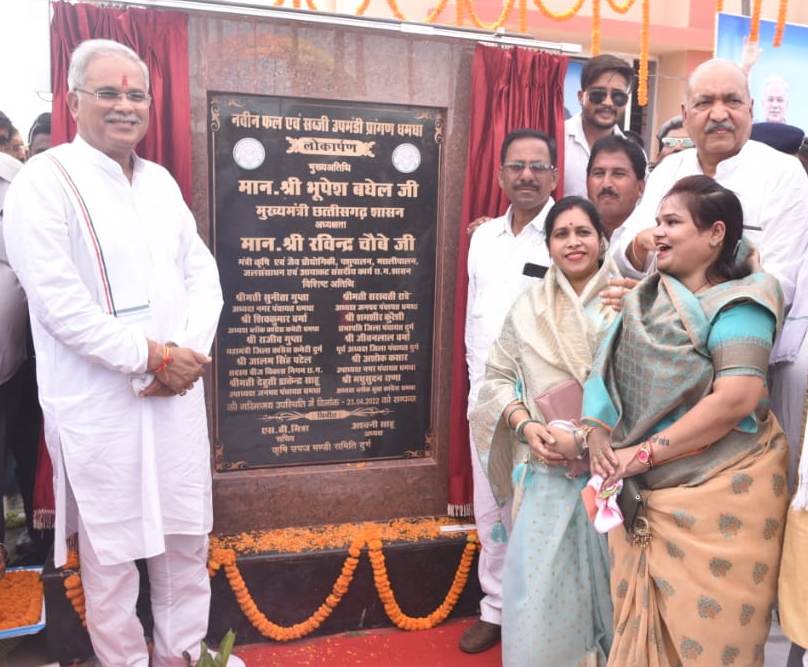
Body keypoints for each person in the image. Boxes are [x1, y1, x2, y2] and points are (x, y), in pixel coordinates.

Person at [3, 39, 235, 666]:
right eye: (107, 92)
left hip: (175, 397)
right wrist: (151, 356)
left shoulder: (159, 183)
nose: (124, 105)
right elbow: (59, 305)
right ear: (73, 101)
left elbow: (203, 278)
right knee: (111, 554)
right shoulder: (44, 182)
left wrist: (185, 356)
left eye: (136, 95)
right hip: (99, 405)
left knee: (184, 538)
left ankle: (183, 654)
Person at [553, 175, 787, 666]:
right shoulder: (647, 298)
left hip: (721, 489)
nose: (657, 232)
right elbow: (605, 372)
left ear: (715, 233)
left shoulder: (744, 300)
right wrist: (596, 434)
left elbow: (736, 399)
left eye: (673, 222)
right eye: (658, 220)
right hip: (640, 491)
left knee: (711, 643)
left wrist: (638, 457)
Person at [610, 59, 808, 479]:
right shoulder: (669, 170)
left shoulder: (783, 174)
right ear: (686, 114)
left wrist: (665, 301)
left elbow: (775, 283)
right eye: (705, 102)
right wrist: (641, 243)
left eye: (732, 101)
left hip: (749, 364)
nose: (719, 113)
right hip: (657, 365)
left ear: (751, 109)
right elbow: (624, 256)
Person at [471, 196, 617, 666]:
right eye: (561, 234)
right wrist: (526, 424)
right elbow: (496, 377)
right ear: (549, 246)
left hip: (612, 477)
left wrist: (591, 437)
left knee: (614, 596)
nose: (573, 242)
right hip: (547, 475)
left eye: (583, 232)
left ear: (602, 240)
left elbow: (647, 391)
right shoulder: (528, 307)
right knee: (538, 596)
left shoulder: (629, 302)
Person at [461, 128, 558, 654]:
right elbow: (474, 319)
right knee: (492, 511)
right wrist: (475, 388)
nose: (527, 175)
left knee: (538, 512)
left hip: (542, 407)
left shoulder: (568, 233)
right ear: (499, 175)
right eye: (516, 166)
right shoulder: (483, 239)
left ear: (554, 176)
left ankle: (536, 615)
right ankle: (495, 609)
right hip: (486, 401)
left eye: (538, 166)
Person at [564, 54, 634, 198]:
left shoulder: (634, 152)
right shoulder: (558, 140)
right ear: (580, 97)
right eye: (598, 94)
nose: (608, 103)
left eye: (618, 96)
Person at [586, 135, 646, 239]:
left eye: (618, 174)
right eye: (599, 173)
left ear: (640, 187)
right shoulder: (575, 236)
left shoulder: (653, 238)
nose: (606, 184)